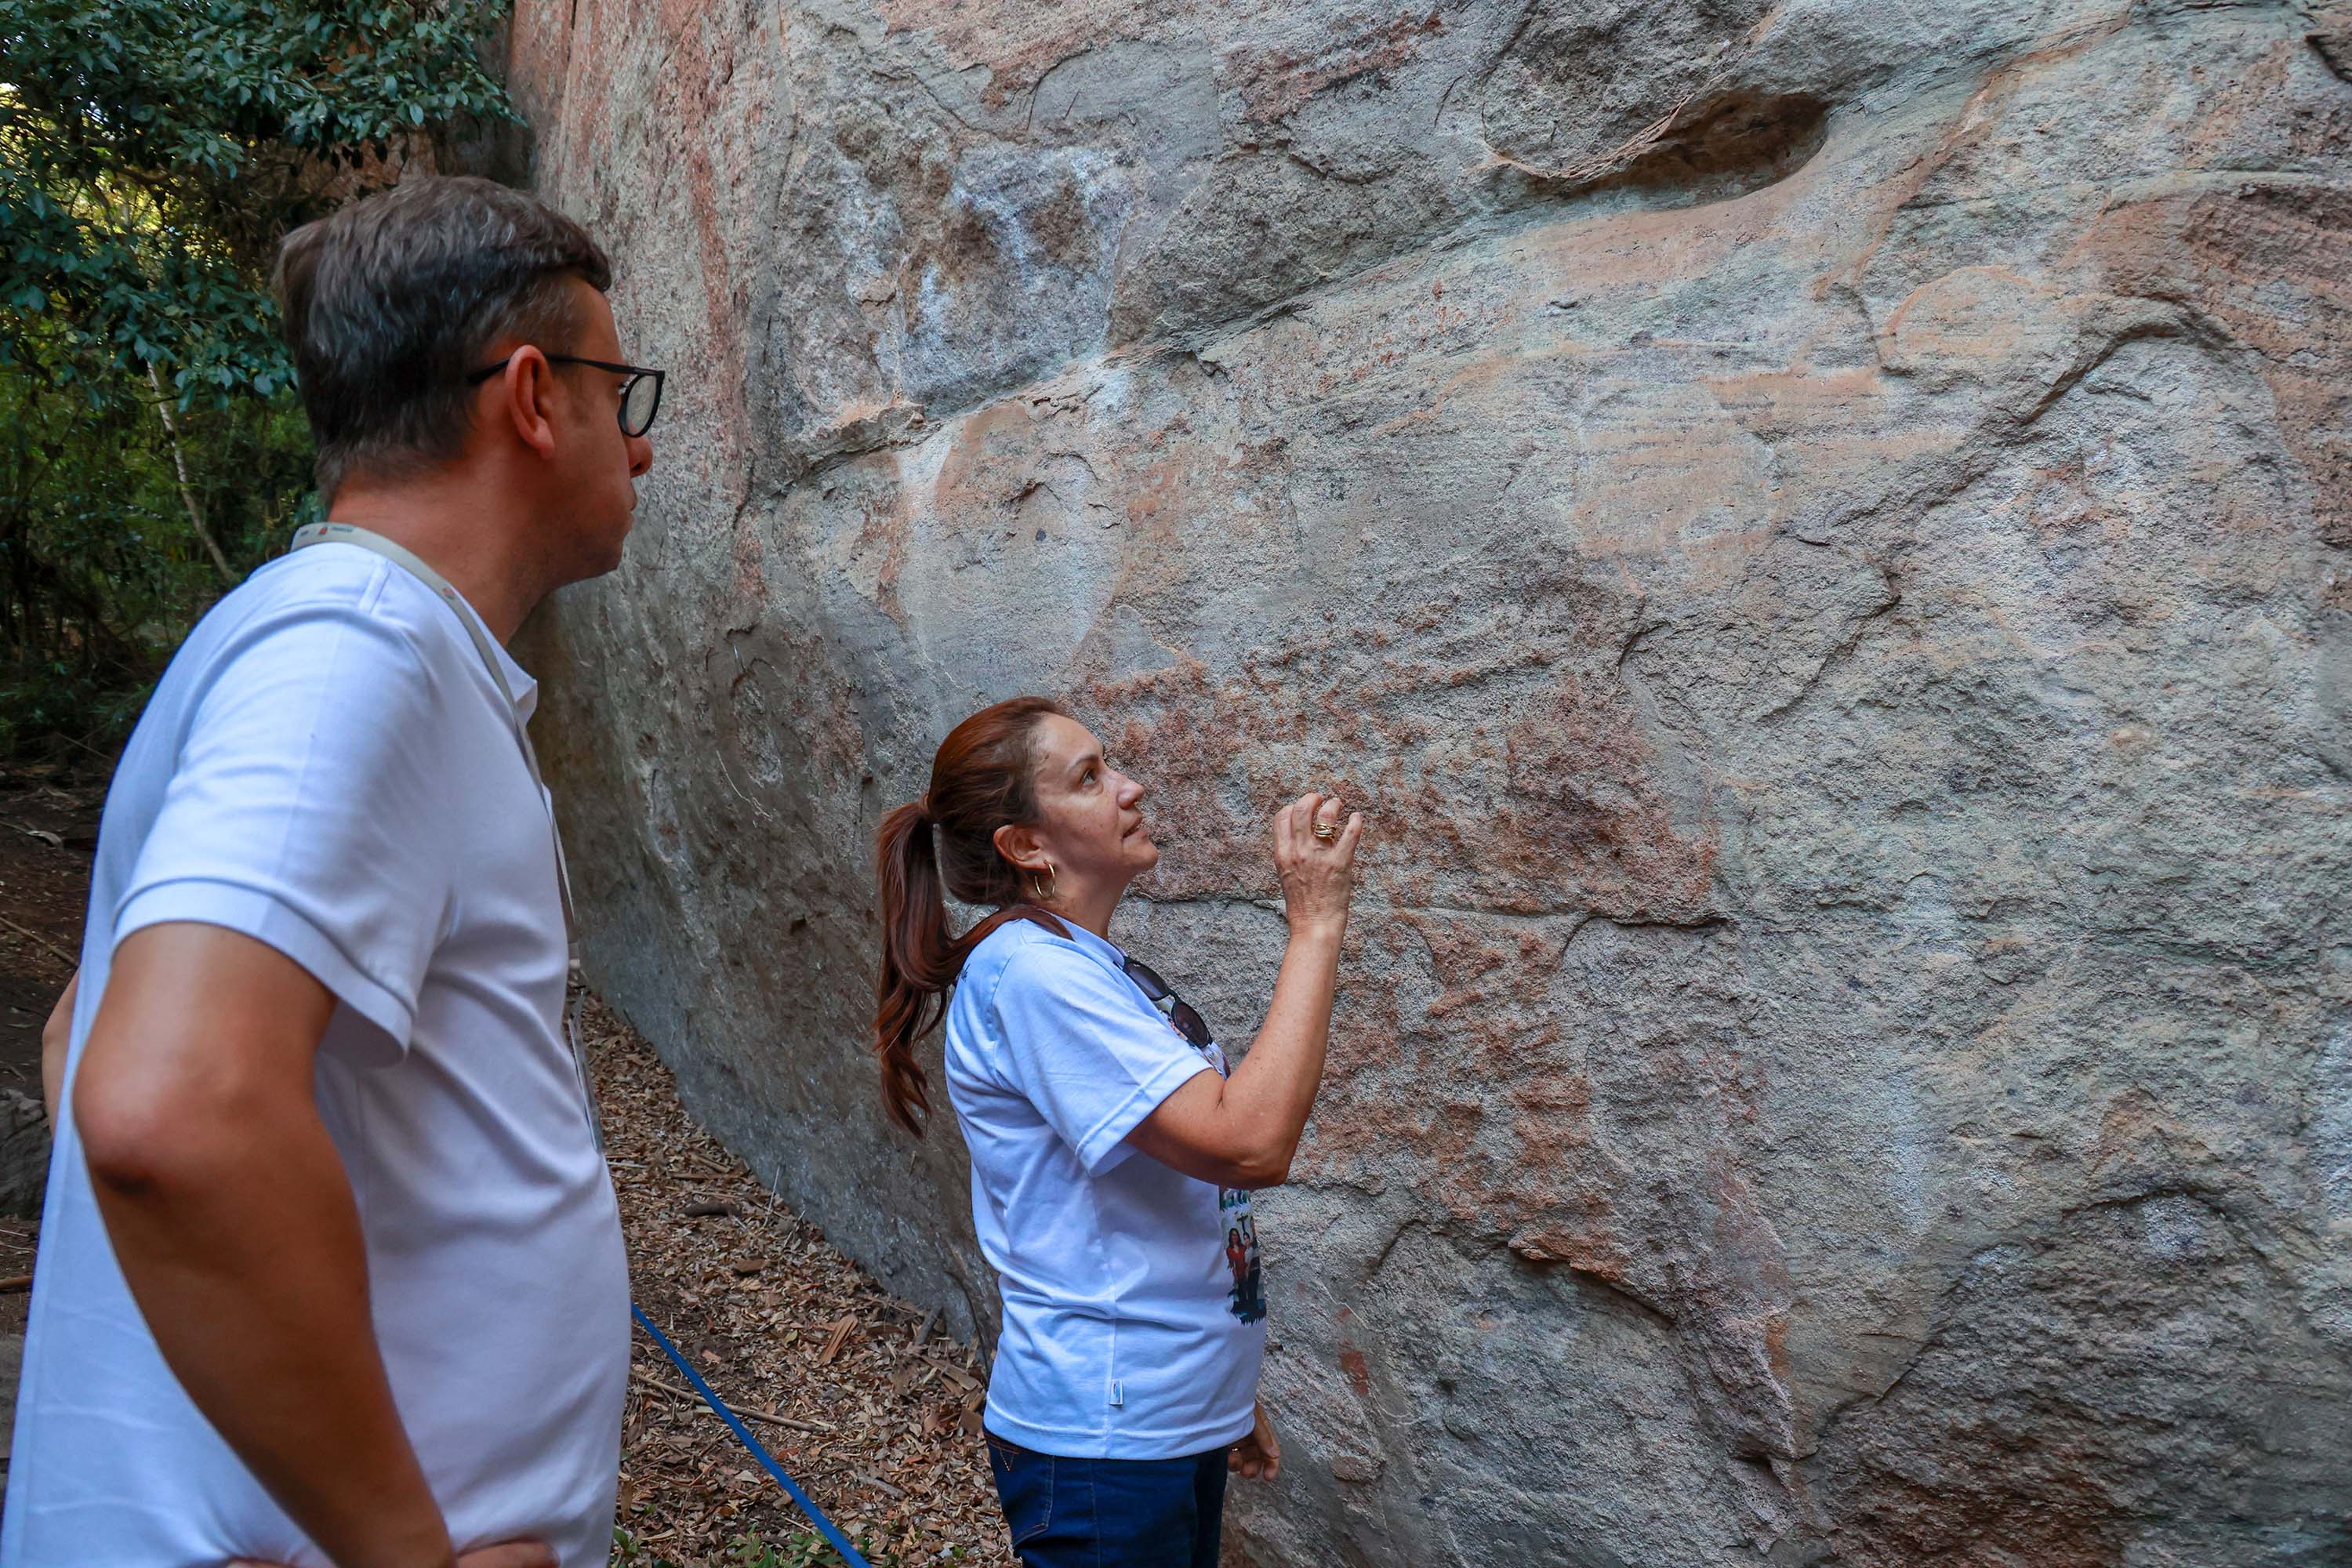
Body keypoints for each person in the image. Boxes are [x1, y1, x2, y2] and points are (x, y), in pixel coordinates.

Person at [3, 175, 659, 1568]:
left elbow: (82, 1039)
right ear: (534, 397)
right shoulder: (358, 651)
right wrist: (395, 1550)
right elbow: (165, 1107)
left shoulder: (343, 643)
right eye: (622, 391)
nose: (641, 449)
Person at [872, 697, 1363, 1568]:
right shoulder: (1033, 975)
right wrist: (1316, 921)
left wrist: (1218, 1386)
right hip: (1105, 1443)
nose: (1131, 788)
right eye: (1090, 777)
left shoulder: (1084, 968)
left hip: (1157, 1420)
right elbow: (1248, 1142)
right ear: (1026, 844)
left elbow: (1155, 1194)